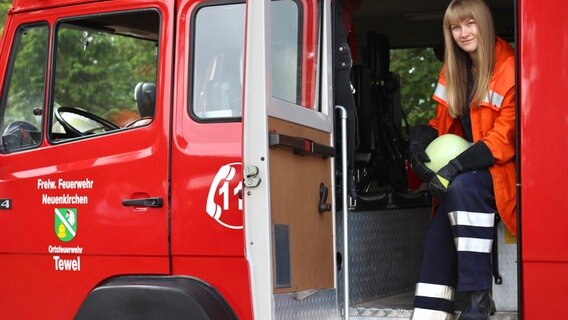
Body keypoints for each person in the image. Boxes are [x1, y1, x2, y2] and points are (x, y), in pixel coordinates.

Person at [408, 0, 516, 319]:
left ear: (483, 24)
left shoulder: (508, 68)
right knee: (441, 220)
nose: (463, 33)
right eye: (456, 27)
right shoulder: (455, 69)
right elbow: (443, 125)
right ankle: (429, 311)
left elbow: (502, 140)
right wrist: (419, 142)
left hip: (500, 171)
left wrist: (454, 167)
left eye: (469, 24)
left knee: (463, 187)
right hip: (468, 172)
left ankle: (478, 298)